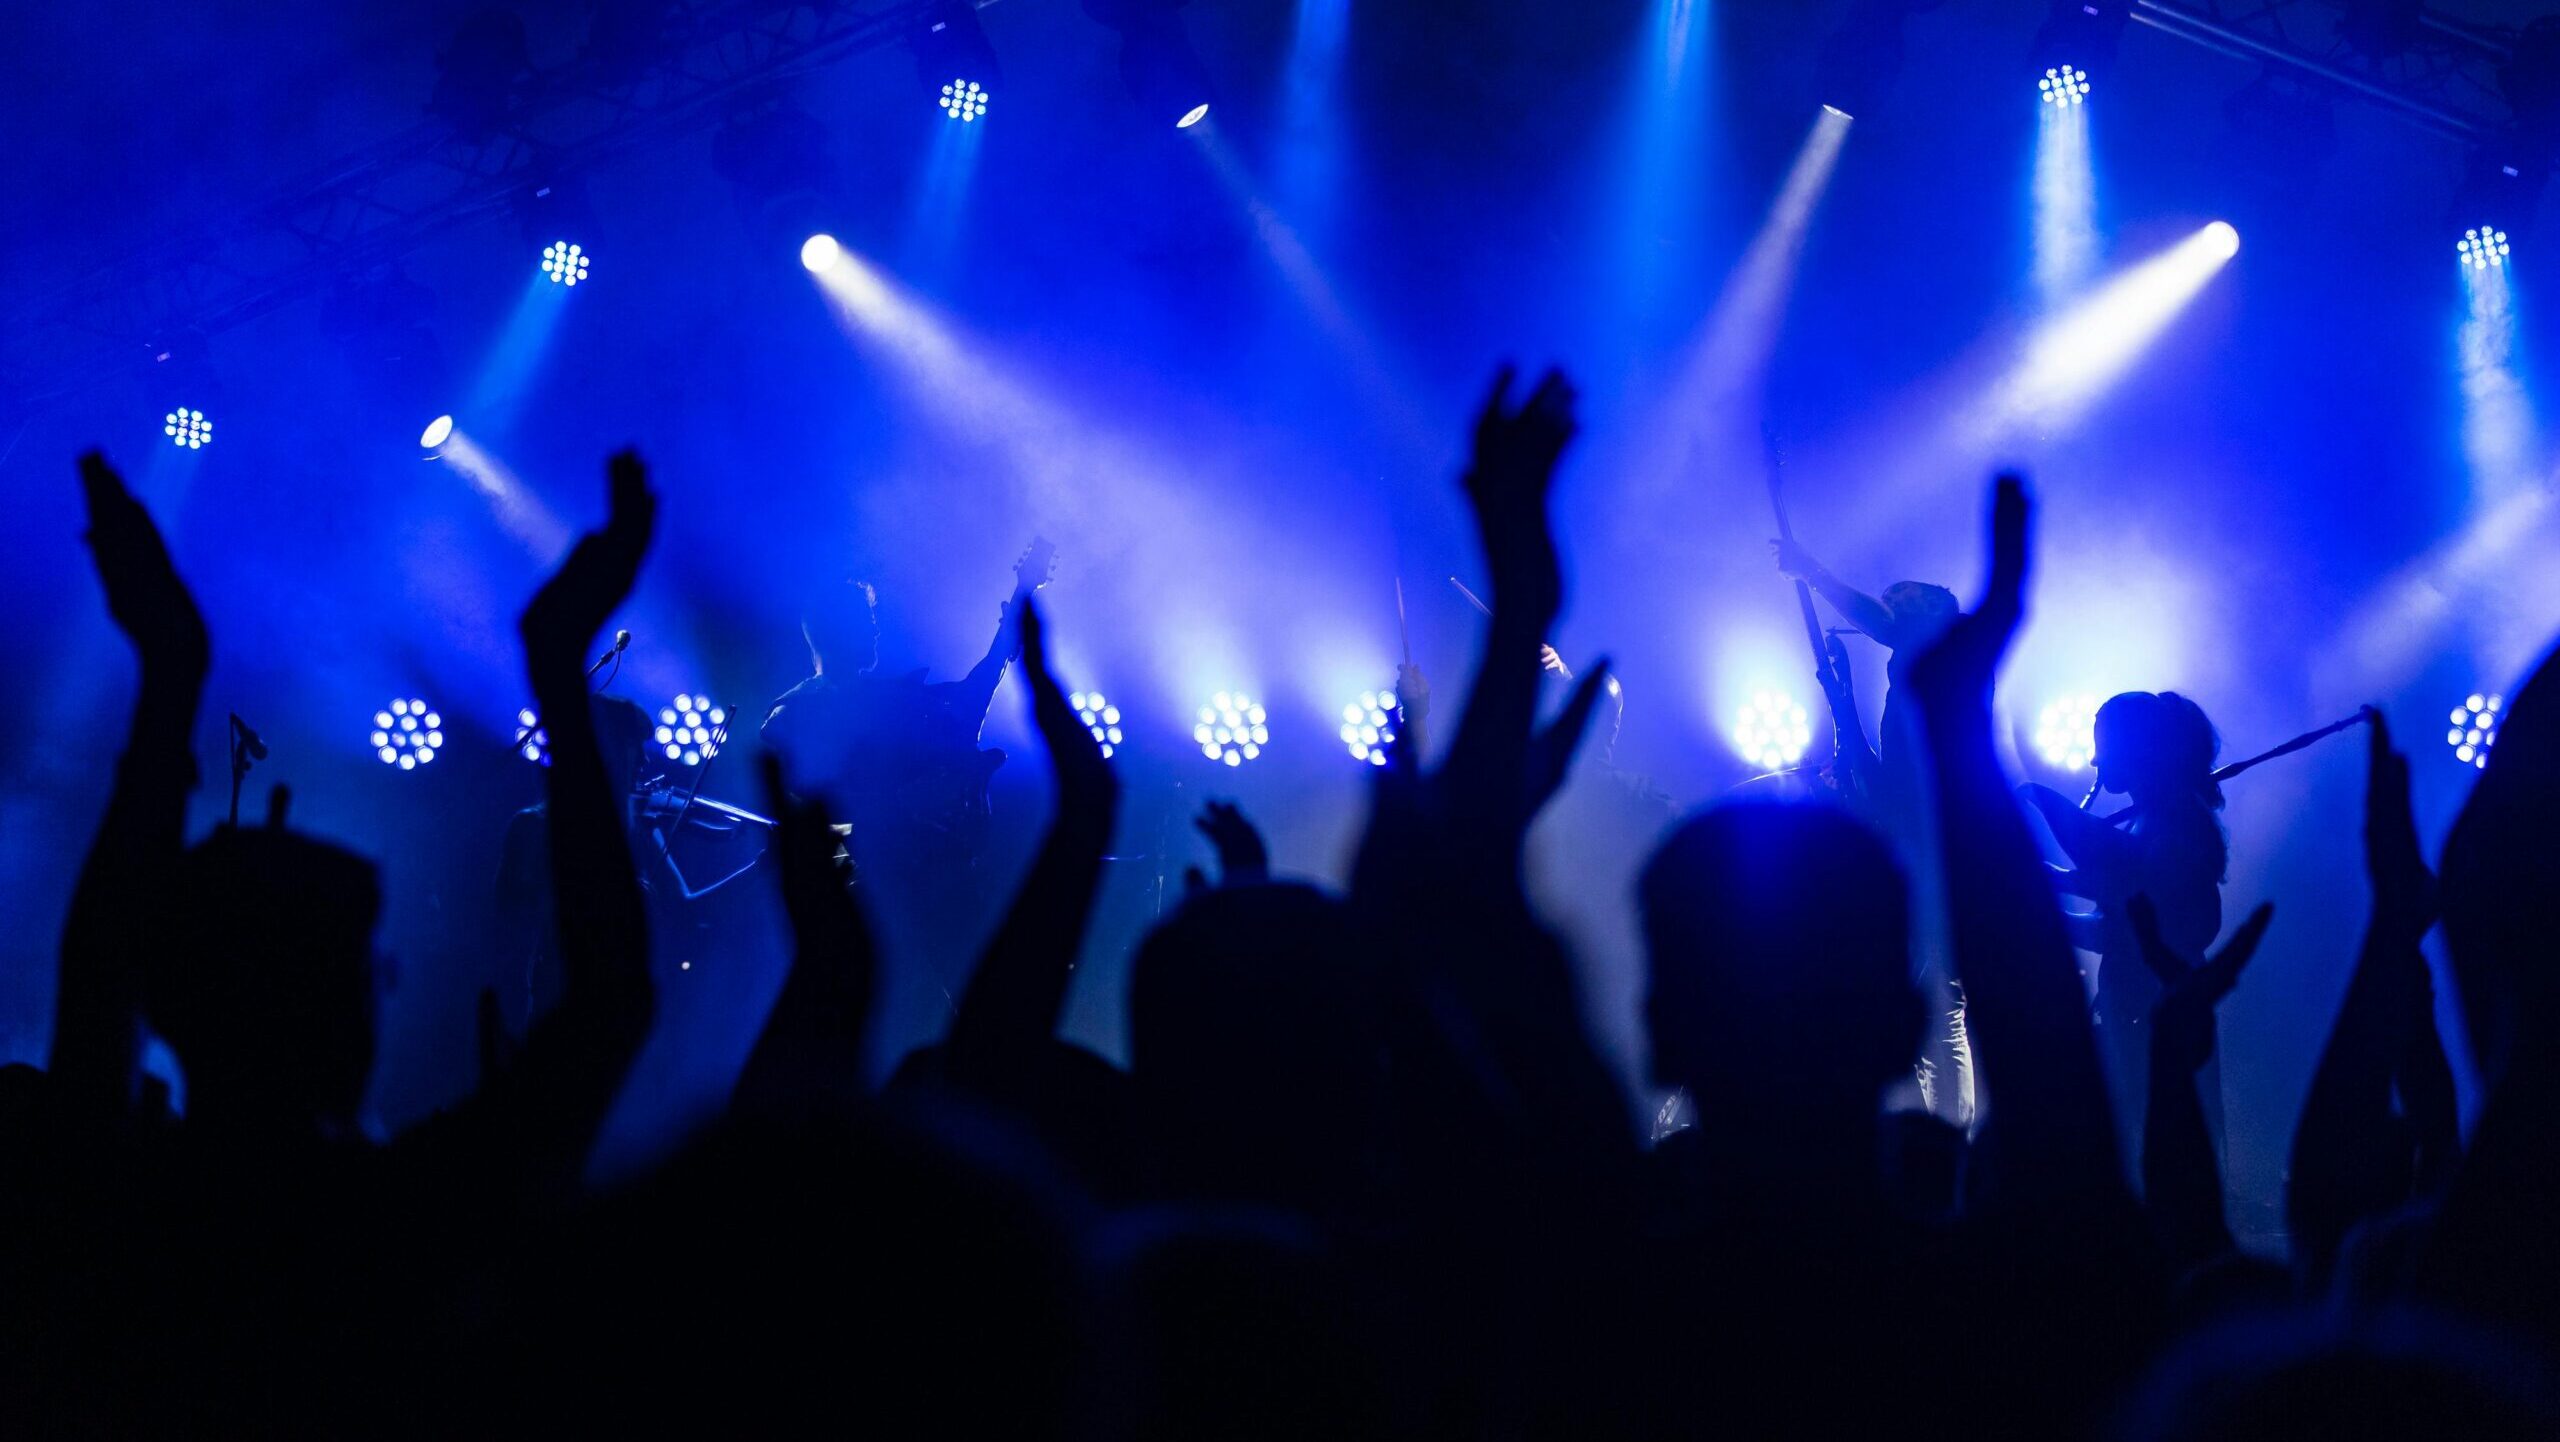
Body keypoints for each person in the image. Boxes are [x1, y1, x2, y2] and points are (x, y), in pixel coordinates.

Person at [761, 547, 1050, 1053]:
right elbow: (811, 825)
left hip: (922, 883)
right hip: (867, 897)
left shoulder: (890, 702)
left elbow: (970, 698)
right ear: (836, 632)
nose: (876, 632)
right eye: (867, 621)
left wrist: (1020, 599)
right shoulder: (795, 715)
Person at [2021, 691, 2230, 1163]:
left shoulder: (2176, 826)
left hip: (2159, 1015)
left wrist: (2044, 804)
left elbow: (2124, 879)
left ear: (2135, 748)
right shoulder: (2154, 822)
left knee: (2159, 1149)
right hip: (2134, 1008)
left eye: (2104, 746)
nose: (2095, 758)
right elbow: (2111, 925)